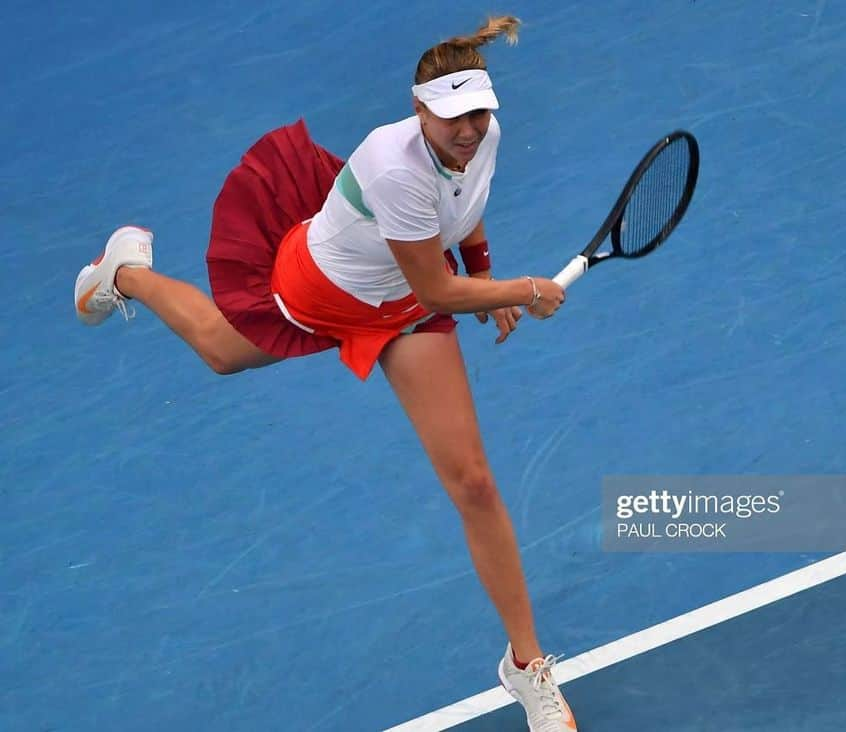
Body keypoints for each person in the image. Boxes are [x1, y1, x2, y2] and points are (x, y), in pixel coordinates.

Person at [73, 15, 578, 732]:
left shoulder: (482, 140)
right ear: (419, 110)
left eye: (477, 114)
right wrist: (522, 291)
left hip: (401, 300)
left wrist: (487, 274)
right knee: (220, 350)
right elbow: (437, 292)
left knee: (473, 480)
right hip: (323, 288)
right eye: (451, 117)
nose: (468, 130)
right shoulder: (392, 165)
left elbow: (464, 212)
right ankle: (127, 270)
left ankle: (527, 668)